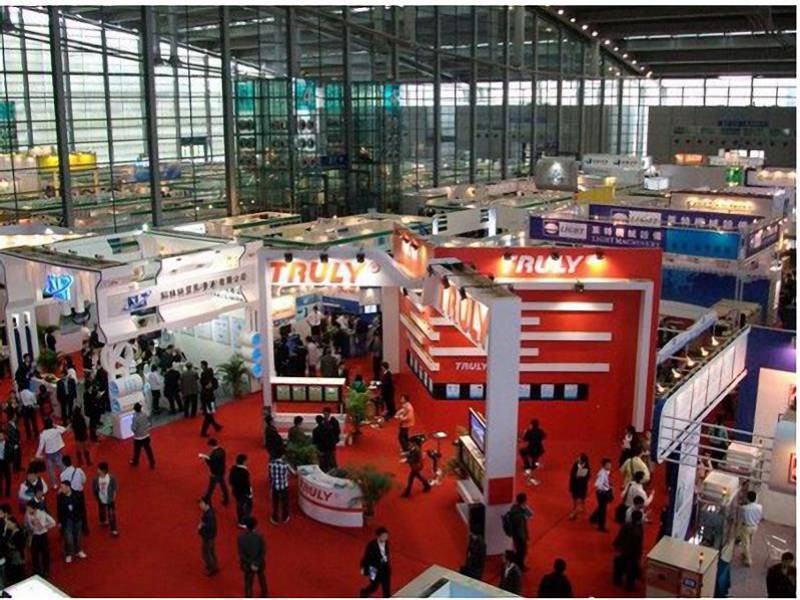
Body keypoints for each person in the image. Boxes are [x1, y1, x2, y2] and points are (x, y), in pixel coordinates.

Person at [613, 509, 644, 590]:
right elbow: (638, 545)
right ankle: (630, 586)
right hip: (632, 553)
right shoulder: (638, 531)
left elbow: (620, 536)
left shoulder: (626, 525)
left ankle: (617, 581)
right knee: (631, 569)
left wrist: (616, 545)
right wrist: (639, 554)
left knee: (619, 565)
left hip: (623, 549)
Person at [56, 482, 86, 563]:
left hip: (77, 519)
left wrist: (82, 518)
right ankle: (68, 554)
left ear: (68, 487)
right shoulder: (60, 497)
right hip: (66, 521)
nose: (61, 489)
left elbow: (82, 507)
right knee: (68, 539)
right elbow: (59, 510)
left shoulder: (77, 495)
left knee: (77, 537)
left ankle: (78, 551)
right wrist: (59, 522)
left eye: (62, 487)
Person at [24, 500, 56, 578]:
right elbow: (26, 524)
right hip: (34, 536)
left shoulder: (42, 513)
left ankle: (46, 571)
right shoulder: (27, 514)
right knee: (34, 554)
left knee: (45, 554)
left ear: (34, 508)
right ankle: (37, 571)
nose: (27, 510)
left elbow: (53, 522)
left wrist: (45, 527)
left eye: (29, 508)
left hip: (42, 536)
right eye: (27, 508)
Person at [238, 517, 267, 597]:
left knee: (248, 583)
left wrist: (251, 563)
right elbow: (263, 551)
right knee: (261, 577)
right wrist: (256, 563)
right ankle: (264, 592)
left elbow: (241, 554)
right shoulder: (260, 537)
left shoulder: (241, 538)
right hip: (259, 563)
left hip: (247, 565)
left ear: (246, 526)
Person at [360, 527, 391, 598]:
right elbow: (367, 558)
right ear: (378, 536)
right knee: (374, 586)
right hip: (373, 569)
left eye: (386, 536)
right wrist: (363, 568)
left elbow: (386, 553)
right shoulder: (371, 545)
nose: (386, 537)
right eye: (384, 536)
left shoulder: (386, 543)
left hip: (385, 568)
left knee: (386, 587)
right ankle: (364, 592)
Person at [60, 456, 88, 535]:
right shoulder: (78, 470)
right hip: (79, 493)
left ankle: (73, 529)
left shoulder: (62, 474)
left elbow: (64, 486)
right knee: (82, 510)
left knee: (71, 511)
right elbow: (84, 480)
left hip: (70, 494)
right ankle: (84, 528)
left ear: (63, 464)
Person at [36, 418, 66, 487]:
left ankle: (54, 484)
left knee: (51, 470)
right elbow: (64, 429)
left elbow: (41, 446)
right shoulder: (56, 431)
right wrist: (56, 425)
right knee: (62, 467)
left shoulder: (43, 434)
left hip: (49, 454)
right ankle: (65, 480)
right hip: (58, 452)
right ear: (52, 424)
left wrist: (37, 455)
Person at [92, 462, 118, 536]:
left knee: (111, 514)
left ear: (103, 470)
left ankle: (113, 529)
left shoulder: (111, 478)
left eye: (99, 469)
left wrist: (114, 496)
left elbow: (115, 487)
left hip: (109, 499)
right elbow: (94, 488)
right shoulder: (96, 479)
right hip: (100, 498)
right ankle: (103, 520)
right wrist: (96, 496)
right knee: (101, 510)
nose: (97, 470)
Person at [507, 492, 531, 571]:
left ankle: (517, 564)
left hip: (515, 535)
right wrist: (524, 538)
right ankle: (519, 566)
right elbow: (520, 528)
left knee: (519, 550)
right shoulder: (518, 514)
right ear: (524, 501)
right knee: (522, 551)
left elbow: (530, 514)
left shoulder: (514, 508)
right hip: (519, 536)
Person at [738, 490, 763, 567]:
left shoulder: (744, 508)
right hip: (755, 527)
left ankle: (748, 560)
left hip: (746, 527)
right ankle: (744, 553)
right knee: (750, 541)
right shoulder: (760, 507)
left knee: (746, 543)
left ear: (747, 498)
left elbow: (740, 516)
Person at [201, 438, 229, 506]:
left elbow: (212, 464)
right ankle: (226, 499)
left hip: (215, 473)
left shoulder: (214, 454)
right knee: (222, 486)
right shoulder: (222, 450)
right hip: (221, 471)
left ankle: (206, 499)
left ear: (211, 445)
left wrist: (205, 458)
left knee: (211, 487)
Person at [520, 419, 546, 485]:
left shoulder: (529, 431)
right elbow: (544, 436)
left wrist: (525, 432)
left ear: (531, 425)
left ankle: (527, 466)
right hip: (540, 450)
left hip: (531, 450)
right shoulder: (541, 431)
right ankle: (534, 463)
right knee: (534, 456)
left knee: (522, 451)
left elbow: (524, 439)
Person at [229, 454, 253, 528]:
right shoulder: (245, 472)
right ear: (244, 461)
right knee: (247, 505)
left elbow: (230, 480)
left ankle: (241, 520)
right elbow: (246, 483)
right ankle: (243, 521)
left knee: (239, 505)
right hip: (244, 492)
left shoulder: (233, 468)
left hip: (236, 491)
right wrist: (249, 493)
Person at [130, 403, 155, 469]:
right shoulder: (144, 414)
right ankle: (152, 463)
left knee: (137, 451)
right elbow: (149, 423)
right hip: (146, 435)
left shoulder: (135, 417)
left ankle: (135, 462)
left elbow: (133, 428)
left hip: (138, 437)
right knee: (148, 450)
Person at [200, 364, 222, 437]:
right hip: (208, 401)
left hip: (208, 400)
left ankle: (216, 426)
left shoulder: (205, 380)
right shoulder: (210, 381)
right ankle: (203, 432)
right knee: (208, 416)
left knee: (210, 415)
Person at [198, 498, 219, 576]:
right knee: (211, 551)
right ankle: (215, 565)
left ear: (207, 504)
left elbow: (210, 527)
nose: (200, 506)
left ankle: (212, 568)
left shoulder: (209, 515)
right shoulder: (209, 513)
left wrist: (201, 527)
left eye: (201, 504)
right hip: (211, 536)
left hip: (208, 537)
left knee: (206, 552)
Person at [268, 449, 290, 524]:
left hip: (275, 486)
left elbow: (270, 475)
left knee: (275, 502)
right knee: (285, 502)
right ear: (282, 455)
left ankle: (275, 518)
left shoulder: (271, 464)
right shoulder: (285, 464)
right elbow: (290, 474)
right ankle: (285, 517)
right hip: (284, 485)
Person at [3, 516, 26, 584]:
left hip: (17, 555)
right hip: (11, 555)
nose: (7, 525)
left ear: (14, 524)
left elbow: (22, 545)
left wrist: (12, 546)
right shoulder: (9, 532)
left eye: (9, 524)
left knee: (18, 571)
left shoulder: (19, 533)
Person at [568, 453, 590, 520]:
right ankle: (575, 508)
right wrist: (575, 476)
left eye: (579, 458)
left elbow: (587, 477)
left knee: (581, 498)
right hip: (574, 485)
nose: (578, 458)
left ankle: (577, 511)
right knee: (575, 498)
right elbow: (572, 473)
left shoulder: (587, 467)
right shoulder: (576, 464)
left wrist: (581, 477)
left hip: (582, 486)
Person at [0, 431, 11, 497]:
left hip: (6, 462)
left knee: (8, 477)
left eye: (1, 435)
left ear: (4, 436)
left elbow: (11, 452)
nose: (0, 437)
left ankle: (7, 492)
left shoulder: (8, 443)